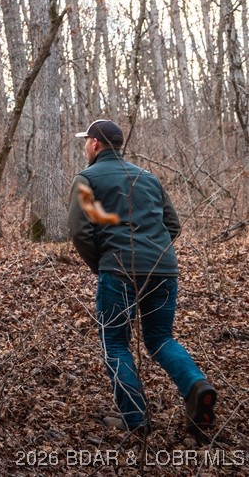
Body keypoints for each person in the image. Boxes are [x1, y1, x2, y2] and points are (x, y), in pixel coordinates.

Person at [68, 119, 217, 441]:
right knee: (160, 338)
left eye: (86, 141)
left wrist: (102, 264)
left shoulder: (86, 178)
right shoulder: (148, 178)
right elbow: (172, 224)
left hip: (118, 270)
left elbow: (80, 232)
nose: (85, 146)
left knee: (115, 342)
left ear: (94, 144)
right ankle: (196, 386)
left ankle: (135, 418)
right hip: (163, 270)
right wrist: (154, 252)